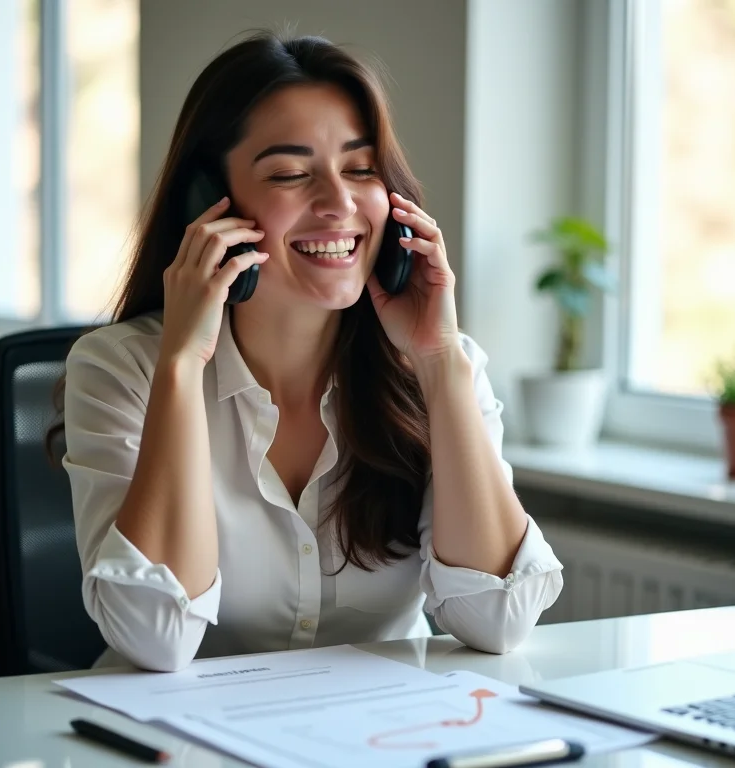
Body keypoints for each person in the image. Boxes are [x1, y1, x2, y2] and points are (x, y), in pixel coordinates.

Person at [54, 30, 564, 673]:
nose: (339, 204)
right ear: (207, 202)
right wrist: (181, 366)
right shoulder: (120, 368)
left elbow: (498, 620)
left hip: (383, 724)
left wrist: (438, 363)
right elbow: (156, 639)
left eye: (361, 169)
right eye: (291, 174)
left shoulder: (442, 366)